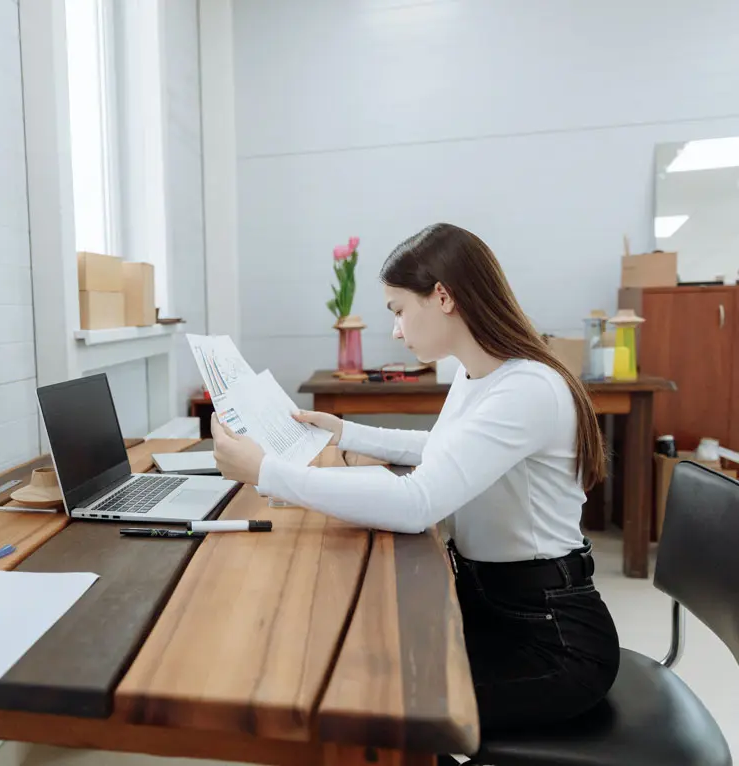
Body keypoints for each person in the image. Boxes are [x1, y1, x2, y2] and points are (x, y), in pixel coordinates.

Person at [210, 223, 620, 751]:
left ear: (443, 298)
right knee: (356, 665)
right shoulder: (479, 374)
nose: (398, 331)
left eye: (399, 311)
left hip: (551, 642)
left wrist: (267, 470)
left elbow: (416, 502)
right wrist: (346, 430)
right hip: (497, 608)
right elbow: (444, 448)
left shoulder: (526, 390)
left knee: (366, 711)